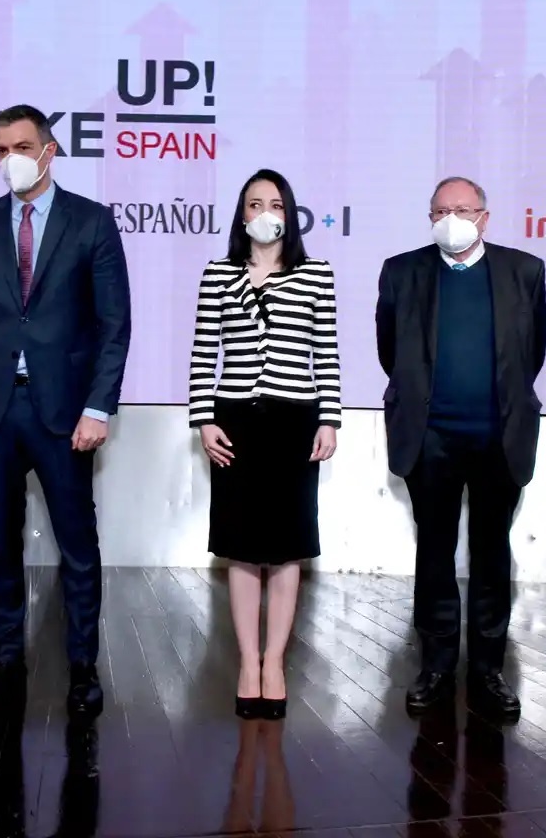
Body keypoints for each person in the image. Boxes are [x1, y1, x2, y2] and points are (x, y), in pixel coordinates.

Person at [0, 104, 132, 721]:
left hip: (65, 411)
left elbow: (114, 324)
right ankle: (7, 663)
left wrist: (99, 406)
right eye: (0, 149)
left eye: (21, 146)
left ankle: (81, 667)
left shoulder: (92, 222)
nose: (10, 159)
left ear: (50, 151)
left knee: (77, 544)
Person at [375, 176, 546, 721]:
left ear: (485, 217)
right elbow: (390, 350)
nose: (453, 219)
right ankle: (436, 665)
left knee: (492, 551)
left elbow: (532, 351)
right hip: (431, 438)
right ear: (430, 218)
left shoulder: (524, 271)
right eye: (441, 211)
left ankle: (490, 670)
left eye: (464, 210)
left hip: (499, 436)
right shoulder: (402, 272)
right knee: (435, 551)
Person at [188, 169, 340, 720]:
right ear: (242, 214)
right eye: (254, 202)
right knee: (243, 547)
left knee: (286, 546)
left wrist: (330, 420)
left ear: (290, 212)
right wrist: (203, 420)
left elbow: (326, 354)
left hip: (294, 420)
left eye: (275, 202)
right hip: (236, 422)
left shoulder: (315, 275)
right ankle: (247, 662)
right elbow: (205, 354)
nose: (265, 211)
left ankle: (275, 661)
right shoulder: (218, 274)